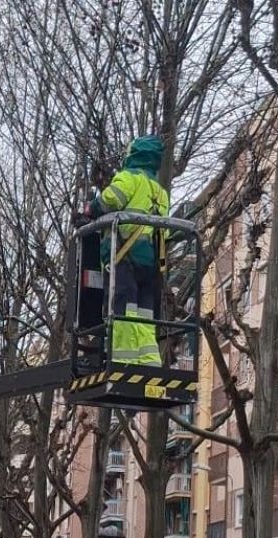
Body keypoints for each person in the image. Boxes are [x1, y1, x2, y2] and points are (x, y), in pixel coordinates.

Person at [93, 135, 170, 366]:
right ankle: (148, 360)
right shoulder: (160, 192)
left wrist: (89, 209)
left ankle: (121, 360)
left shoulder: (129, 178)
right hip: (150, 262)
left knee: (122, 308)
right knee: (145, 313)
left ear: (134, 154)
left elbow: (108, 201)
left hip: (123, 257)